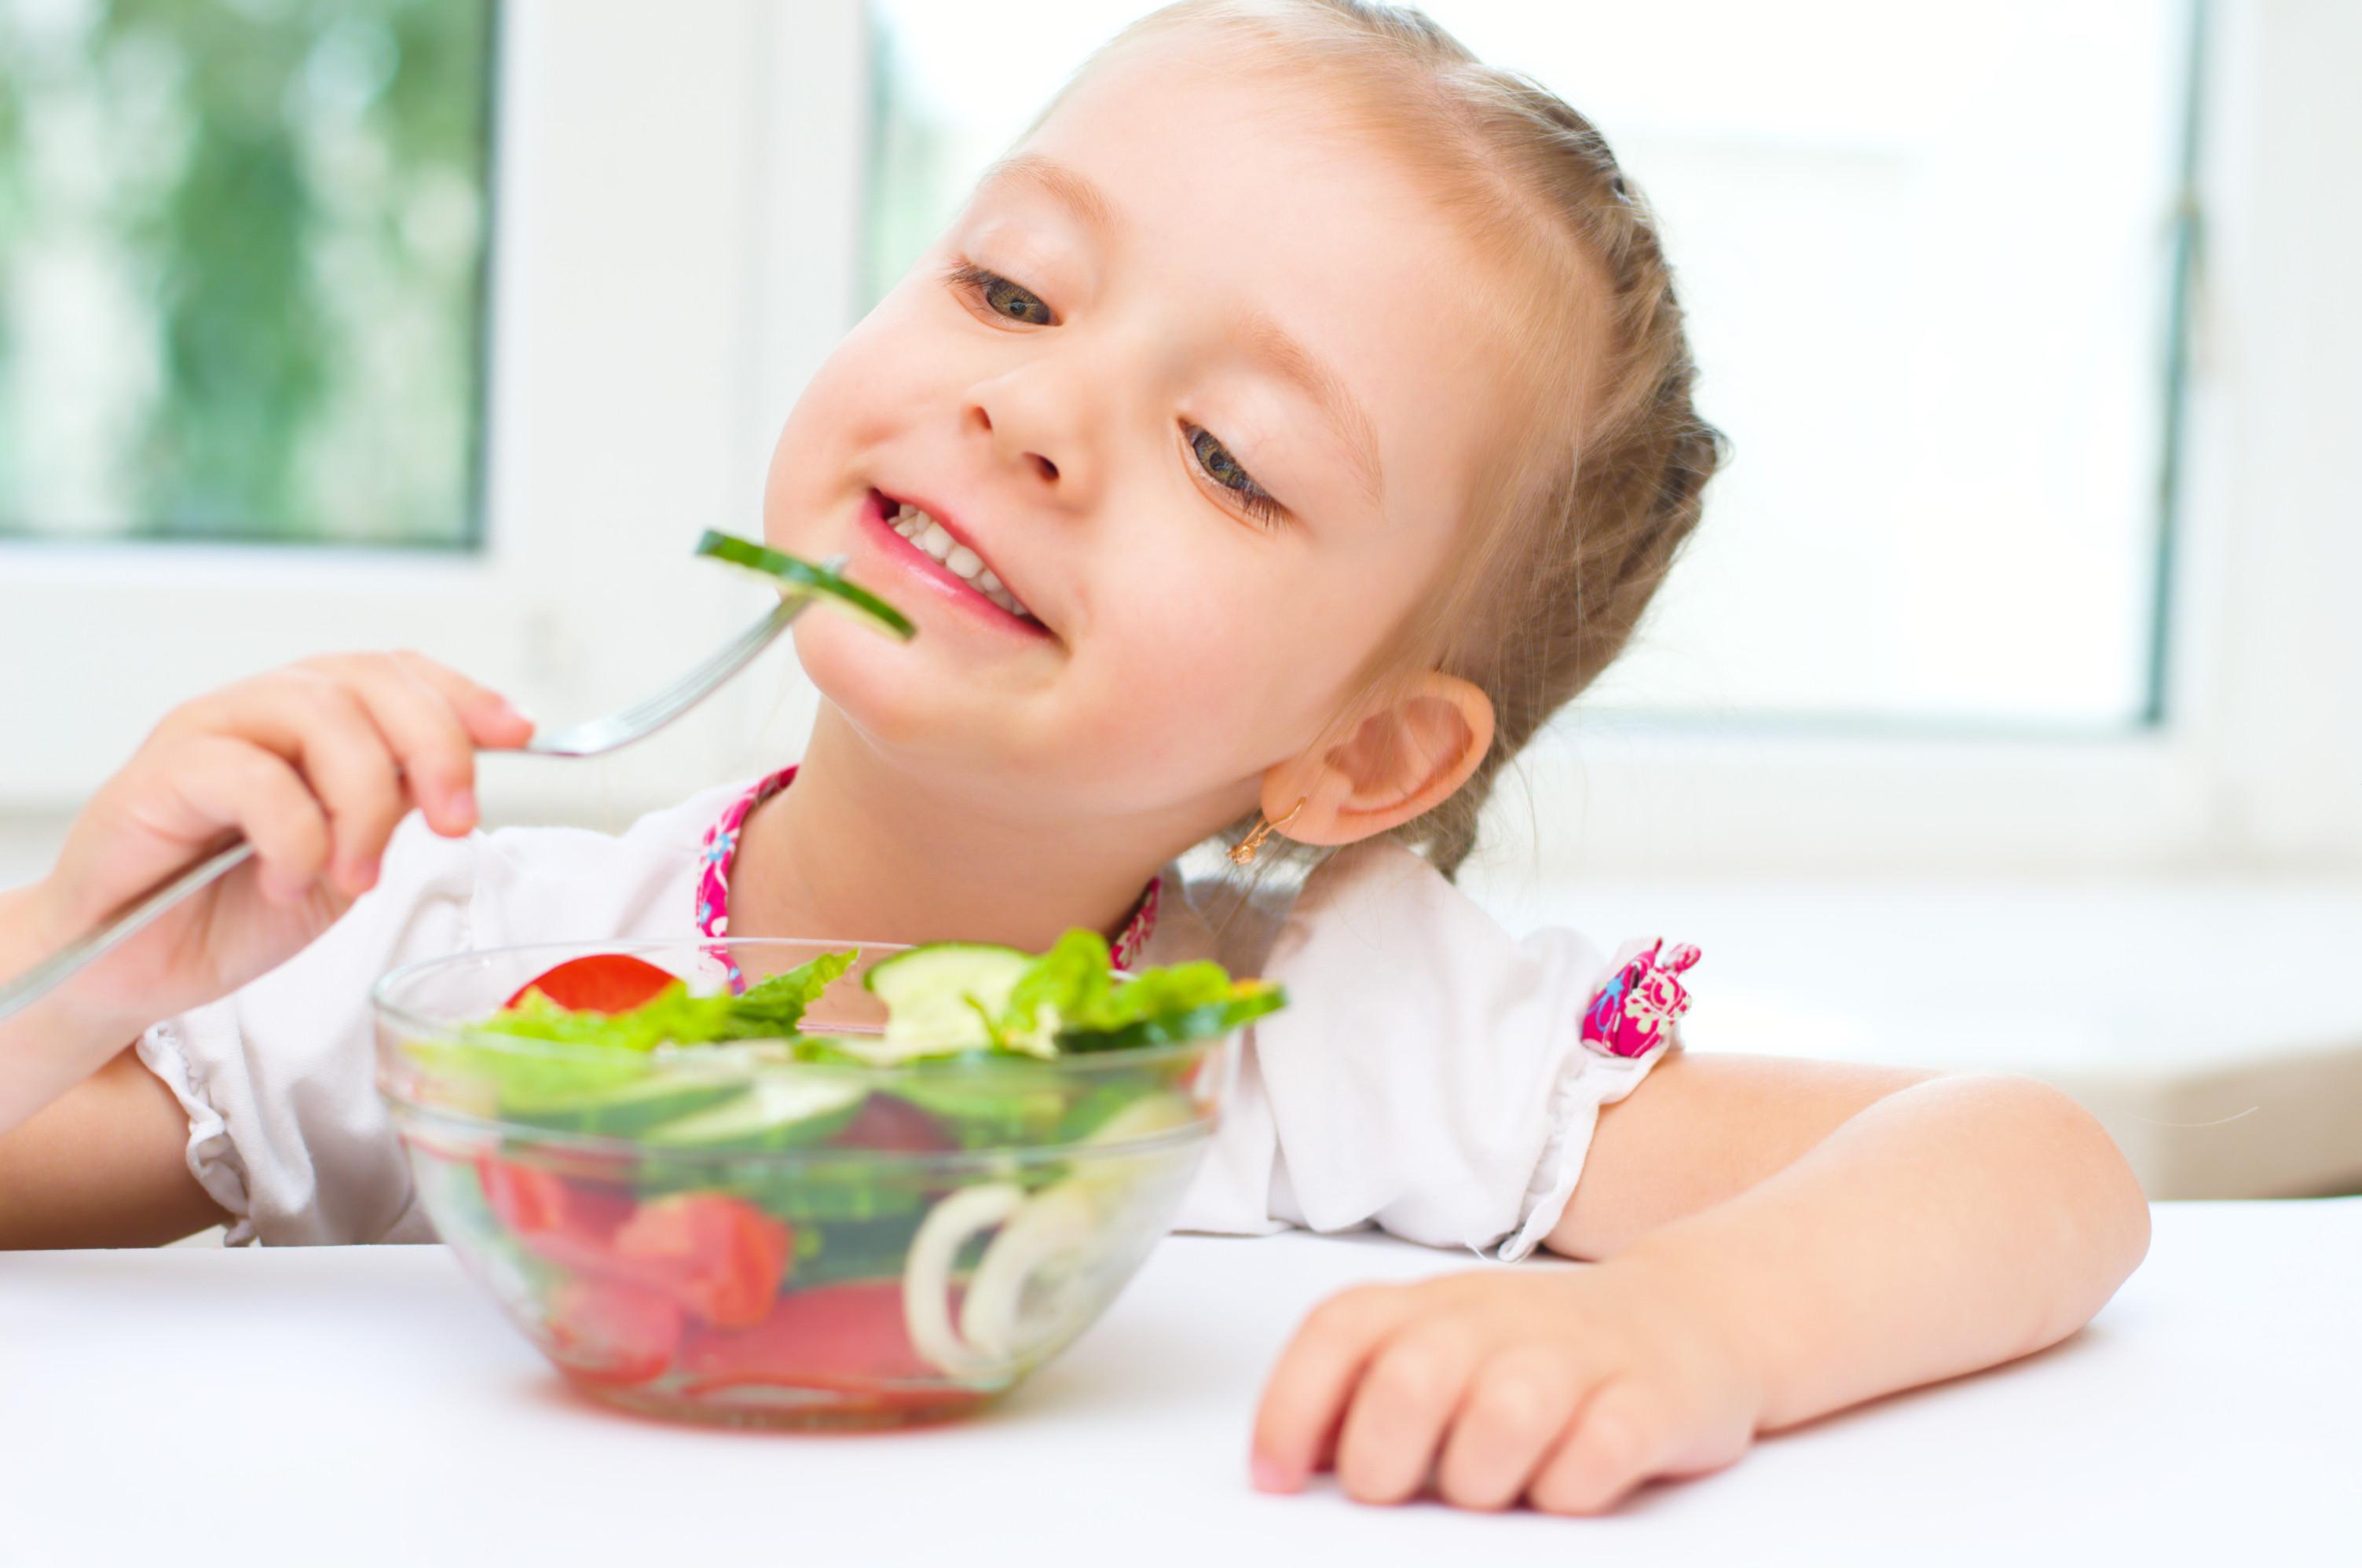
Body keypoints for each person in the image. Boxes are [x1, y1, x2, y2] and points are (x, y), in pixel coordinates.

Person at [0, 0, 2147, 1516]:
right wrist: (83, 955)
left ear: (1367, 753)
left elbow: (2042, 1166)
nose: (1034, 412)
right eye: (1014, 289)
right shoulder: (477, 971)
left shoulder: (1316, 1024)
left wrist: (1689, 1337)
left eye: (1225, 455)